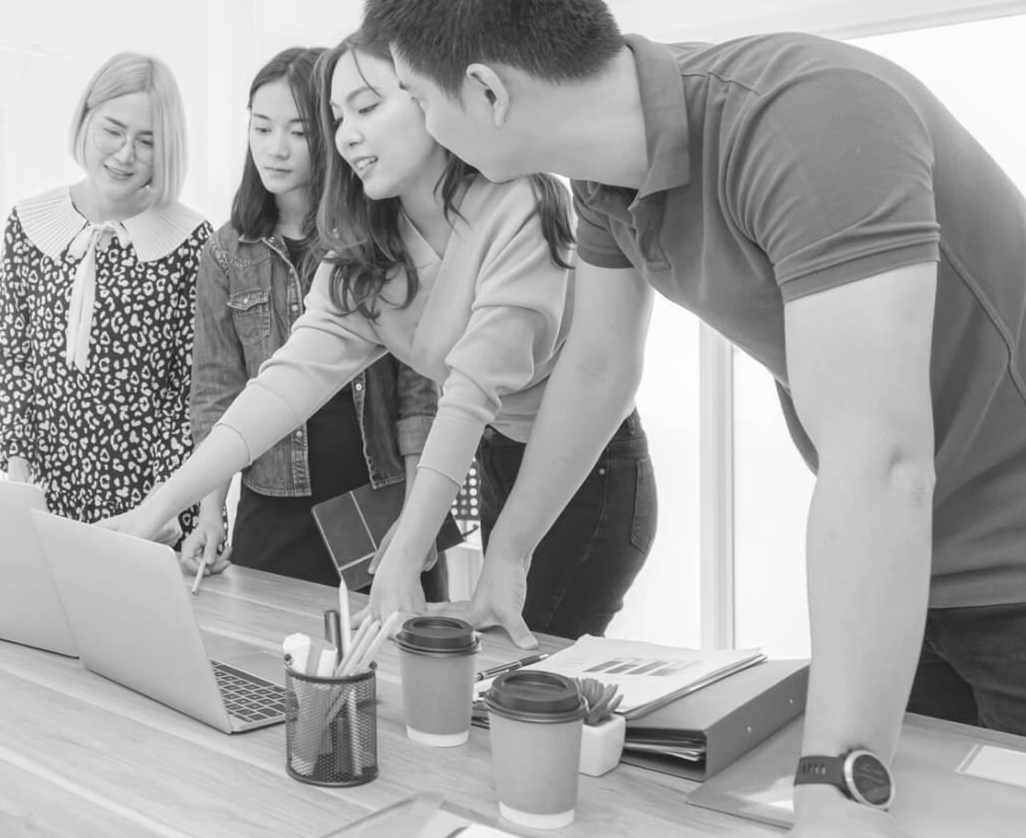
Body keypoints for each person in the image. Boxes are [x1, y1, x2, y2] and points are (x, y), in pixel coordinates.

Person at [361, 0, 1026, 838]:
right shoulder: (611, 179)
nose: (417, 125)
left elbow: (882, 461)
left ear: (485, 91)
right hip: (914, 569)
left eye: (414, 96)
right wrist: (508, 556)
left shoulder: (806, 118)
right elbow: (600, 367)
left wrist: (837, 772)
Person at [104, 33, 657, 640]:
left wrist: (405, 552)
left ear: (430, 100)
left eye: (367, 108)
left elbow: (468, 392)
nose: (345, 135)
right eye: (338, 117)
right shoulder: (362, 253)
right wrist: (154, 509)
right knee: (497, 686)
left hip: (591, 471)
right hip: (501, 457)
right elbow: (280, 386)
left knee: (531, 681)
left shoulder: (518, 202)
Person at [182, 46, 456, 597]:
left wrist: (415, 512)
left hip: (378, 494)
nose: (275, 149)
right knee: (267, 669)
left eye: (300, 132)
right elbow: (217, 391)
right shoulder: (226, 252)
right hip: (274, 505)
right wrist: (208, 513)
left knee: (396, 662)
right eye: (261, 128)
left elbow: (419, 389)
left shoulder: (376, 236)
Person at [0, 51, 210, 537]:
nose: (125, 154)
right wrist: (19, 476)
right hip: (44, 491)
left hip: (152, 499)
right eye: (113, 130)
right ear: (85, 117)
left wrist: (166, 506)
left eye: (147, 141)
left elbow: (194, 387)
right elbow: (9, 354)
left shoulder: (191, 239)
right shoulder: (29, 223)